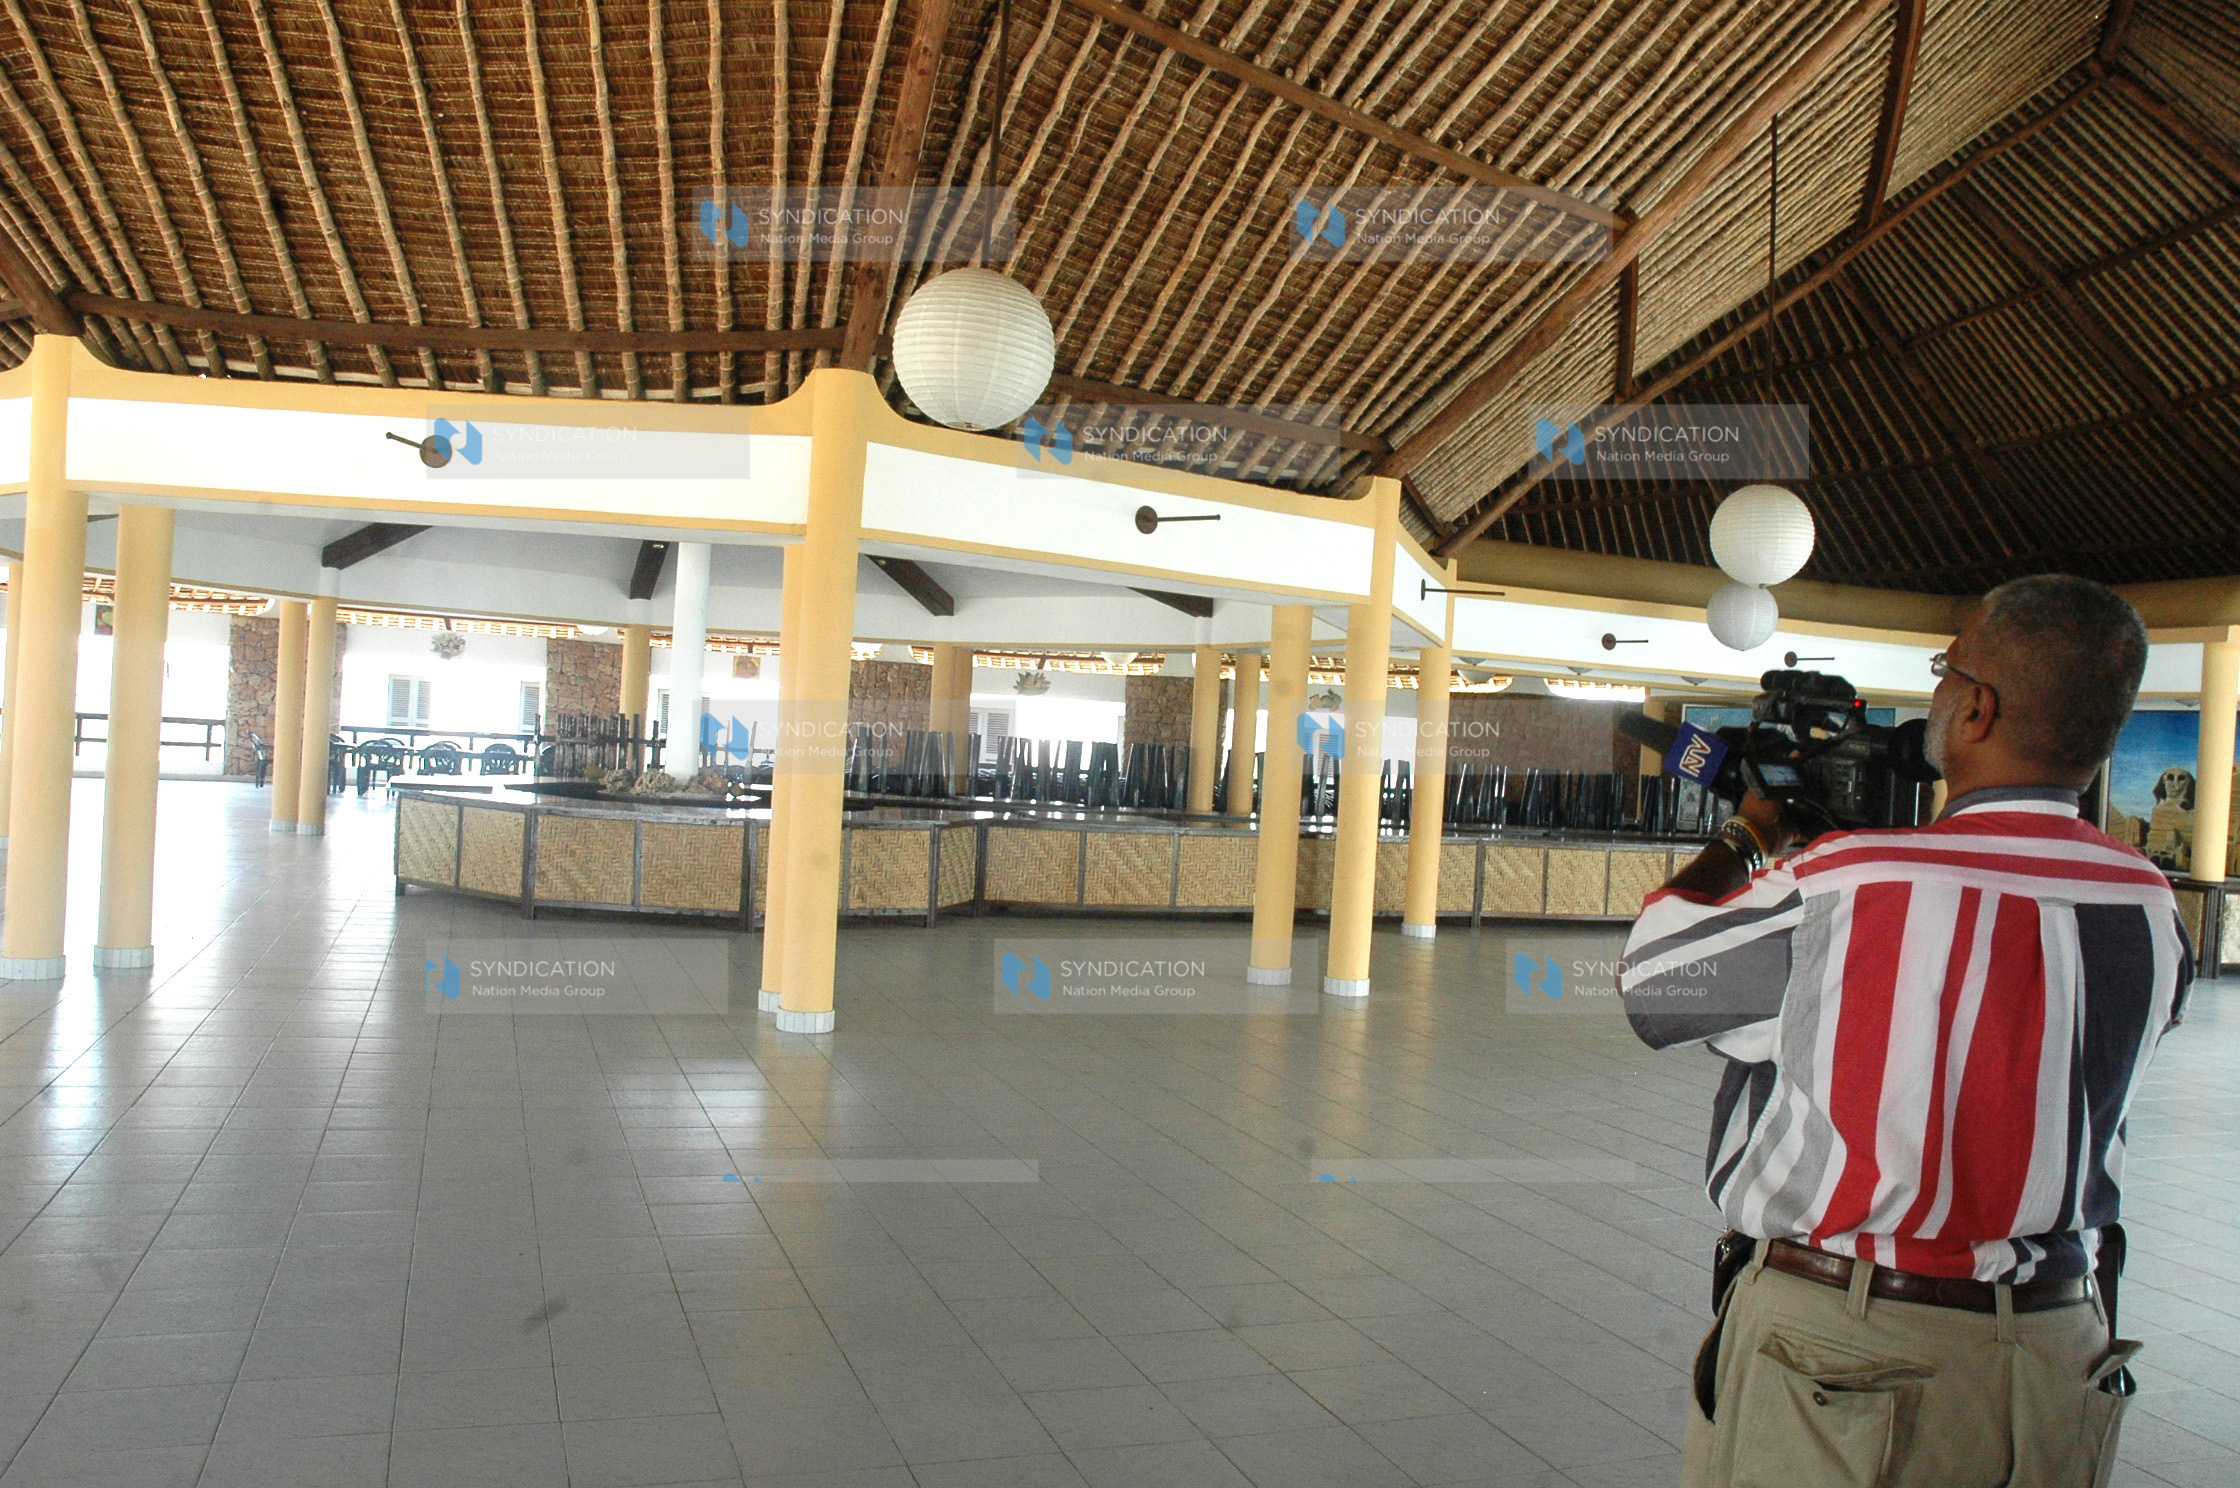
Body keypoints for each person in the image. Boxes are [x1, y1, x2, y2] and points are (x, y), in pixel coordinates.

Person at [1621, 574, 2190, 1488]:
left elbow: (1656, 985)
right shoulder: (2151, 907)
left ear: (1977, 709)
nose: (1939, 688)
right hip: (2062, 1356)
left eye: (1945, 669)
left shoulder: (1852, 881)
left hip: (1846, 1358)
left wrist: (1748, 836)